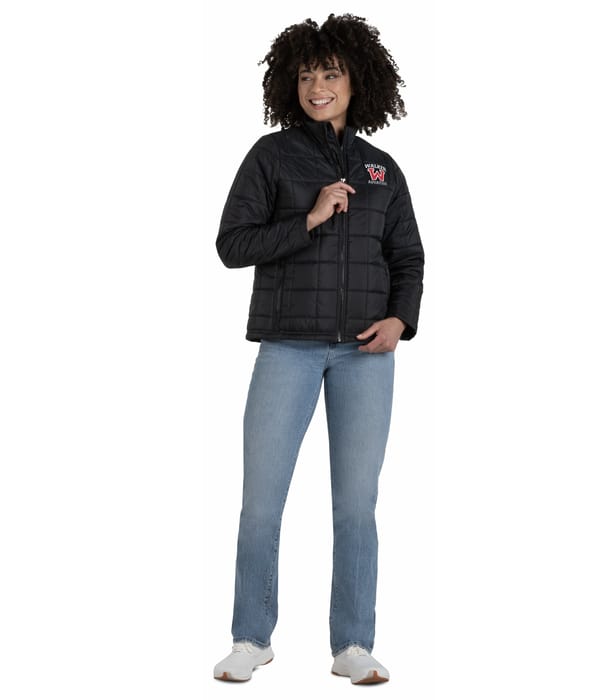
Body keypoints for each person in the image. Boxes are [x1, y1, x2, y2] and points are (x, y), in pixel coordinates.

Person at [213, 14, 424, 684]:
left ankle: (353, 645)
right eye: (306, 75)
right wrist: (306, 219)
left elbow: (408, 257)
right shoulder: (271, 157)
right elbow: (232, 245)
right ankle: (252, 637)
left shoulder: (382, 170)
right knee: (261, 502)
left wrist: (401, 320)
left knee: (356, 505)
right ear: (290, 83)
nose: (316, 87)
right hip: (288, 348)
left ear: (357, 81)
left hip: (367, 354)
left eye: (330, 73)